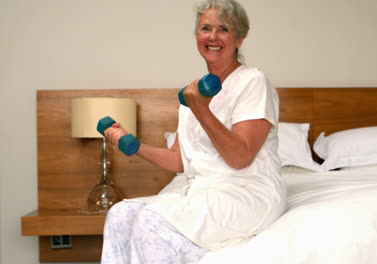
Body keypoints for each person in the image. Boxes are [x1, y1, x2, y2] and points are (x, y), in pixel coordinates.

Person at [101, 0, 287, 263]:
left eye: (224, 29)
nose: (212, 36)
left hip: (248, 192)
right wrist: (132, 144)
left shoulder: (253, 82)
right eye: (205, 28)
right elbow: (180, 160)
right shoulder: (192, 93)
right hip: (203, 189)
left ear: (240, 38)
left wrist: (202, 109)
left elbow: (241, 157)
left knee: (151, 223)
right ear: (197, 35)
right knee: (120, 214)